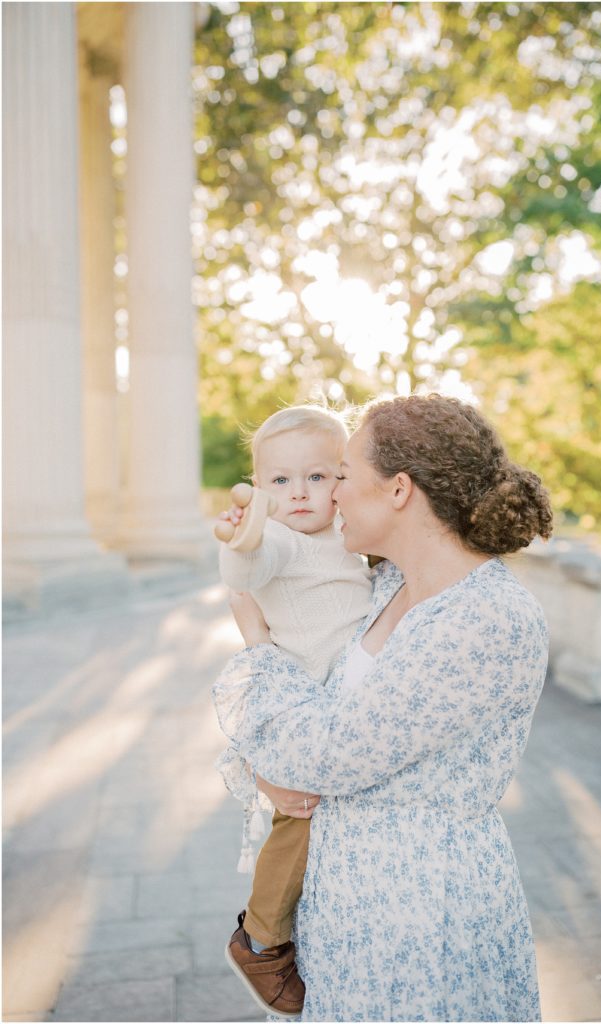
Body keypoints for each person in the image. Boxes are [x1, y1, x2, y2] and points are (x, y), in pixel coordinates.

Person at [214, 392, 553, 1022]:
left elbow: (327, 754)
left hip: (418, 918)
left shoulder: (485, 617)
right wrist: (269, 771)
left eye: (340, 475)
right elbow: (320, 716)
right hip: (340, 901)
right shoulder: (391, 581)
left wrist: (257, 644)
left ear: (398, 490)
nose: (328, 493)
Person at [213, 405, 373, 1018]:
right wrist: (241, 535)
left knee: (313, 819)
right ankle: (260, 938)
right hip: (299, 708)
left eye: (317, 477)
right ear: (259, 490)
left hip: (334, 703)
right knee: (298, 818)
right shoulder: (278, 538)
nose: (299, 493)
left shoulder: (342, 536)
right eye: (279, 481)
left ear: (343, 480)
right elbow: (247, 566)